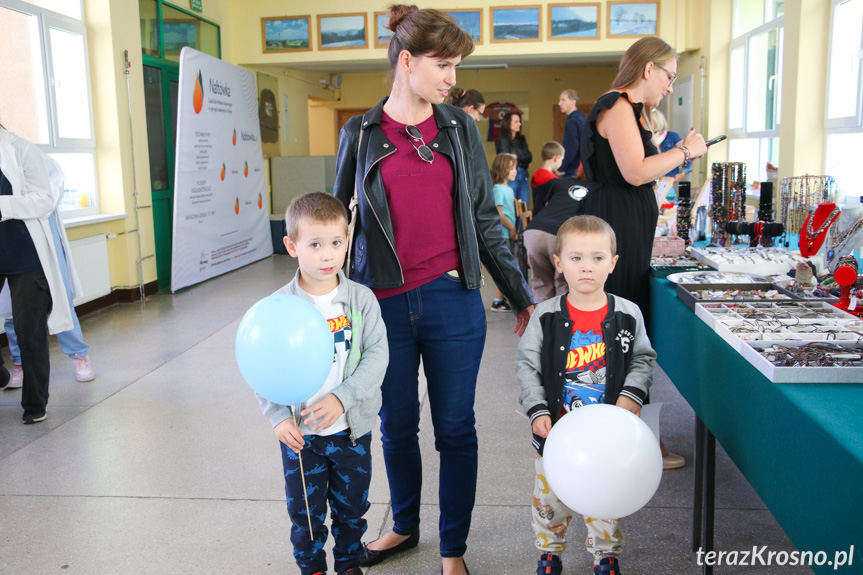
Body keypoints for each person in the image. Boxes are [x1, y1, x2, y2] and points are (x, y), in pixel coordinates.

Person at [333, 6, 535, 575]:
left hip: (453, 300)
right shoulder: (361, 133)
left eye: (455, 66)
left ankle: (453, 549)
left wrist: (519, 294)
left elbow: (484, 220)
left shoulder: (459, 128)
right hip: (383, 304)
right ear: (407, 61)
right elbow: (340, 227)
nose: (451, 78)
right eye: (443, 65)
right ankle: (402, 525)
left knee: (455, 427)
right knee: (395, 424)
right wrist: (323, 300)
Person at [516, 215, 657, 575]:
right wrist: (537, 409)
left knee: (606, 496)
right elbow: (527, 365)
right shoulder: (546, 316)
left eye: (597, 258)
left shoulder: (628, 314)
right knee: (550, 499)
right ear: (559, 263)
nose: (587, 268)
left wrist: (631, 394)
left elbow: (643, 358)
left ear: (612, 263)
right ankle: (550, 552)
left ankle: (605, 553)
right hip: (555, 432)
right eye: (576, 258)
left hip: (608, 436)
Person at [257, 192, 388, 575]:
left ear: (348, 241)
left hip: (351, 432)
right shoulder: (279, 308)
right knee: (306, 516)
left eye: (336, 243)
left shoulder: (361, 300)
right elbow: (262, 366)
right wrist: (278, 417)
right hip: (302, 438)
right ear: (292, 246)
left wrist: (342, 398)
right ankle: (311, 568)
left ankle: (348, 565)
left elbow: (378, 356)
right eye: (315, 245)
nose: (328, 255)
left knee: (352, 510)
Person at [580, 36, 706, 318]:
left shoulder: (631, 110)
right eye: (670, 76)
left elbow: (640, 166)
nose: (671, 88)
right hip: (617, 220)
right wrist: (684, 152)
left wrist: (676, 152)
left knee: (625, 314)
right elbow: (636, 172)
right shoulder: (618, 105)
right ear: (649, 68)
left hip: (624, 218)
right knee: (617, 312)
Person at [0, 124, 74, 423]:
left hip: (25, 255)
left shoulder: (22, 150)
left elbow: (44, 199)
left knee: (29, 331)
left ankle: (34, 403)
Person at [4, 156, 95, 386]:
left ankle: (79, 355)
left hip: (43, 235)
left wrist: (22, 204)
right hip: (10, 242)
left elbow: (49, 196)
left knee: (60, 297)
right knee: (12, 308)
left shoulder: (34, 158)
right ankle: (19, 362)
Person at [491, 153, 518, 312]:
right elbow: (499, 214)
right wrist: (512, 228)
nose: (515, 171)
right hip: (504, 234)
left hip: (508, 233)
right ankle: (497, 300)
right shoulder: (499, 190)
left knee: (507, 268)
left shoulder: (507, 189)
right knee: (503, 268)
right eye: (512, 168)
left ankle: (501, 299)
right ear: (503, 169)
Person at [495, 111, 533, 206]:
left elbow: (529, 156)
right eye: (516, 122)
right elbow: (506, 160)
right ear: (508, 123)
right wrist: (523, 160)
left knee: (523, 206)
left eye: (519, 121)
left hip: (523, 175)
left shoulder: (521, 139)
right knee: (510, 205)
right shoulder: (502, 140)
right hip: (510, 175)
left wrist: (517, 157)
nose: (519, 124)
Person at [649, 108, 690, 188]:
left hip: (667, 180)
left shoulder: (672, 136)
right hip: (651, 179)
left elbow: (688, 154)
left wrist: (683, 173)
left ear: (657, 121)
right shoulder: (646, 137)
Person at [557, 90, 586, 178]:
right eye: (559, 100)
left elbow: (571, 148)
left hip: (572, 170)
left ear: (573, 102)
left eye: (563, 100)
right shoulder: (581, 118)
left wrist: (562, 168)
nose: (559, 103)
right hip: (582, 169)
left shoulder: (572, 122)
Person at [530, 141, 564, 213]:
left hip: (536, 214)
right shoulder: (554, 180)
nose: (561, 162)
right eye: (561, 160)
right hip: (547, 217)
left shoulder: (536, 175)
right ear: (556, 158)